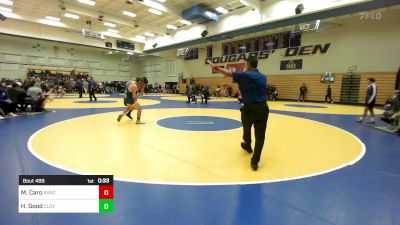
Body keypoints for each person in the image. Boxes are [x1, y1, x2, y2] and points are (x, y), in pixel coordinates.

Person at [207, 57, 269, 171]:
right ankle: (255, 162)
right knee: (260, 137)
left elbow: (227, 73)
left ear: (249, 64)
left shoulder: (244, 75)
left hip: (249, 108)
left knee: (246, 129)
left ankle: (248, 144)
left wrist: (214, 67)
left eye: (245, 64)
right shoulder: (264, 77)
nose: (245, 66)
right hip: (262, 108)